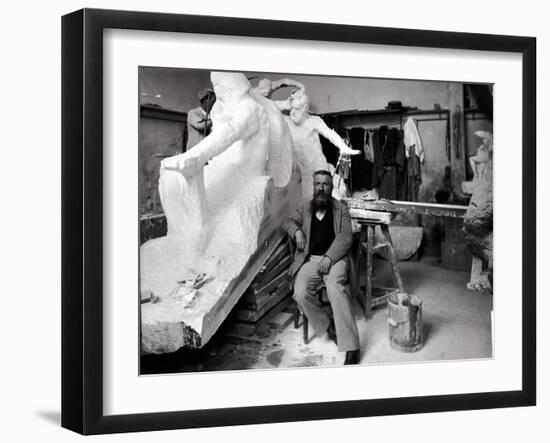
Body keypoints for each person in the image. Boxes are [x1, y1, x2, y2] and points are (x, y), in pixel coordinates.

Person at [283, 170, 361, 365]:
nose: (321, 188)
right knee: (300, 292)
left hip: (335, 260)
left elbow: (346, 237)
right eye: (317, 183)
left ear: (331, 187)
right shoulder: (306, 208)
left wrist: (329, 257)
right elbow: (288, 221)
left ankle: (351, 346)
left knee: (335, 288)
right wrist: (297, 231)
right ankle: (326, 325)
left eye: (325, 184)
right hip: (312, 260)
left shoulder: (340, 209)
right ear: (313, 185)